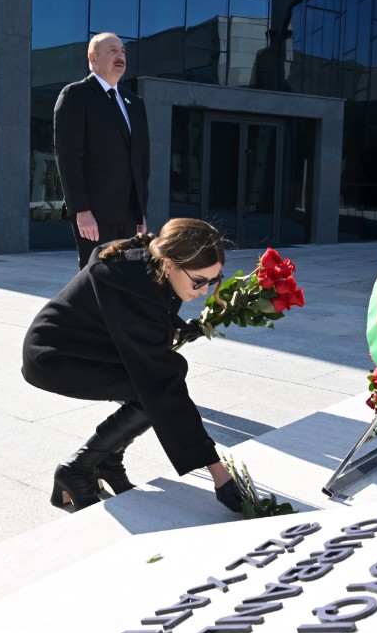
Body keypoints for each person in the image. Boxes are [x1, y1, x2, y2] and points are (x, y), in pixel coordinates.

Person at [21, 218, 242, 513]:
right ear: (169, 264)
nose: (204, 291)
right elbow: (163, 384)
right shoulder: (128, 282)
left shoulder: (152, 268)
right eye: (199, 281)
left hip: (89, 347)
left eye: (213, 280)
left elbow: (135, 318)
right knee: (155, 388)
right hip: (55, 357)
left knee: (157, 382)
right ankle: (76, 468)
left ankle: (108, 460)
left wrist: (174, 328)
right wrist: (218, 472)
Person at [54, 32, 150, 269]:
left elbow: (141, 162)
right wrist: (81, 210)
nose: (120, 56)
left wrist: (140, 213)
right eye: (112, 50)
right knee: (97, 276)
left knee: (125, 278)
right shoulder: (76, 94)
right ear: (93, 58)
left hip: (129, 214)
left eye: (123, 51)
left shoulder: (135, 103)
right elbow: (67, 158)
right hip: (94, 213)